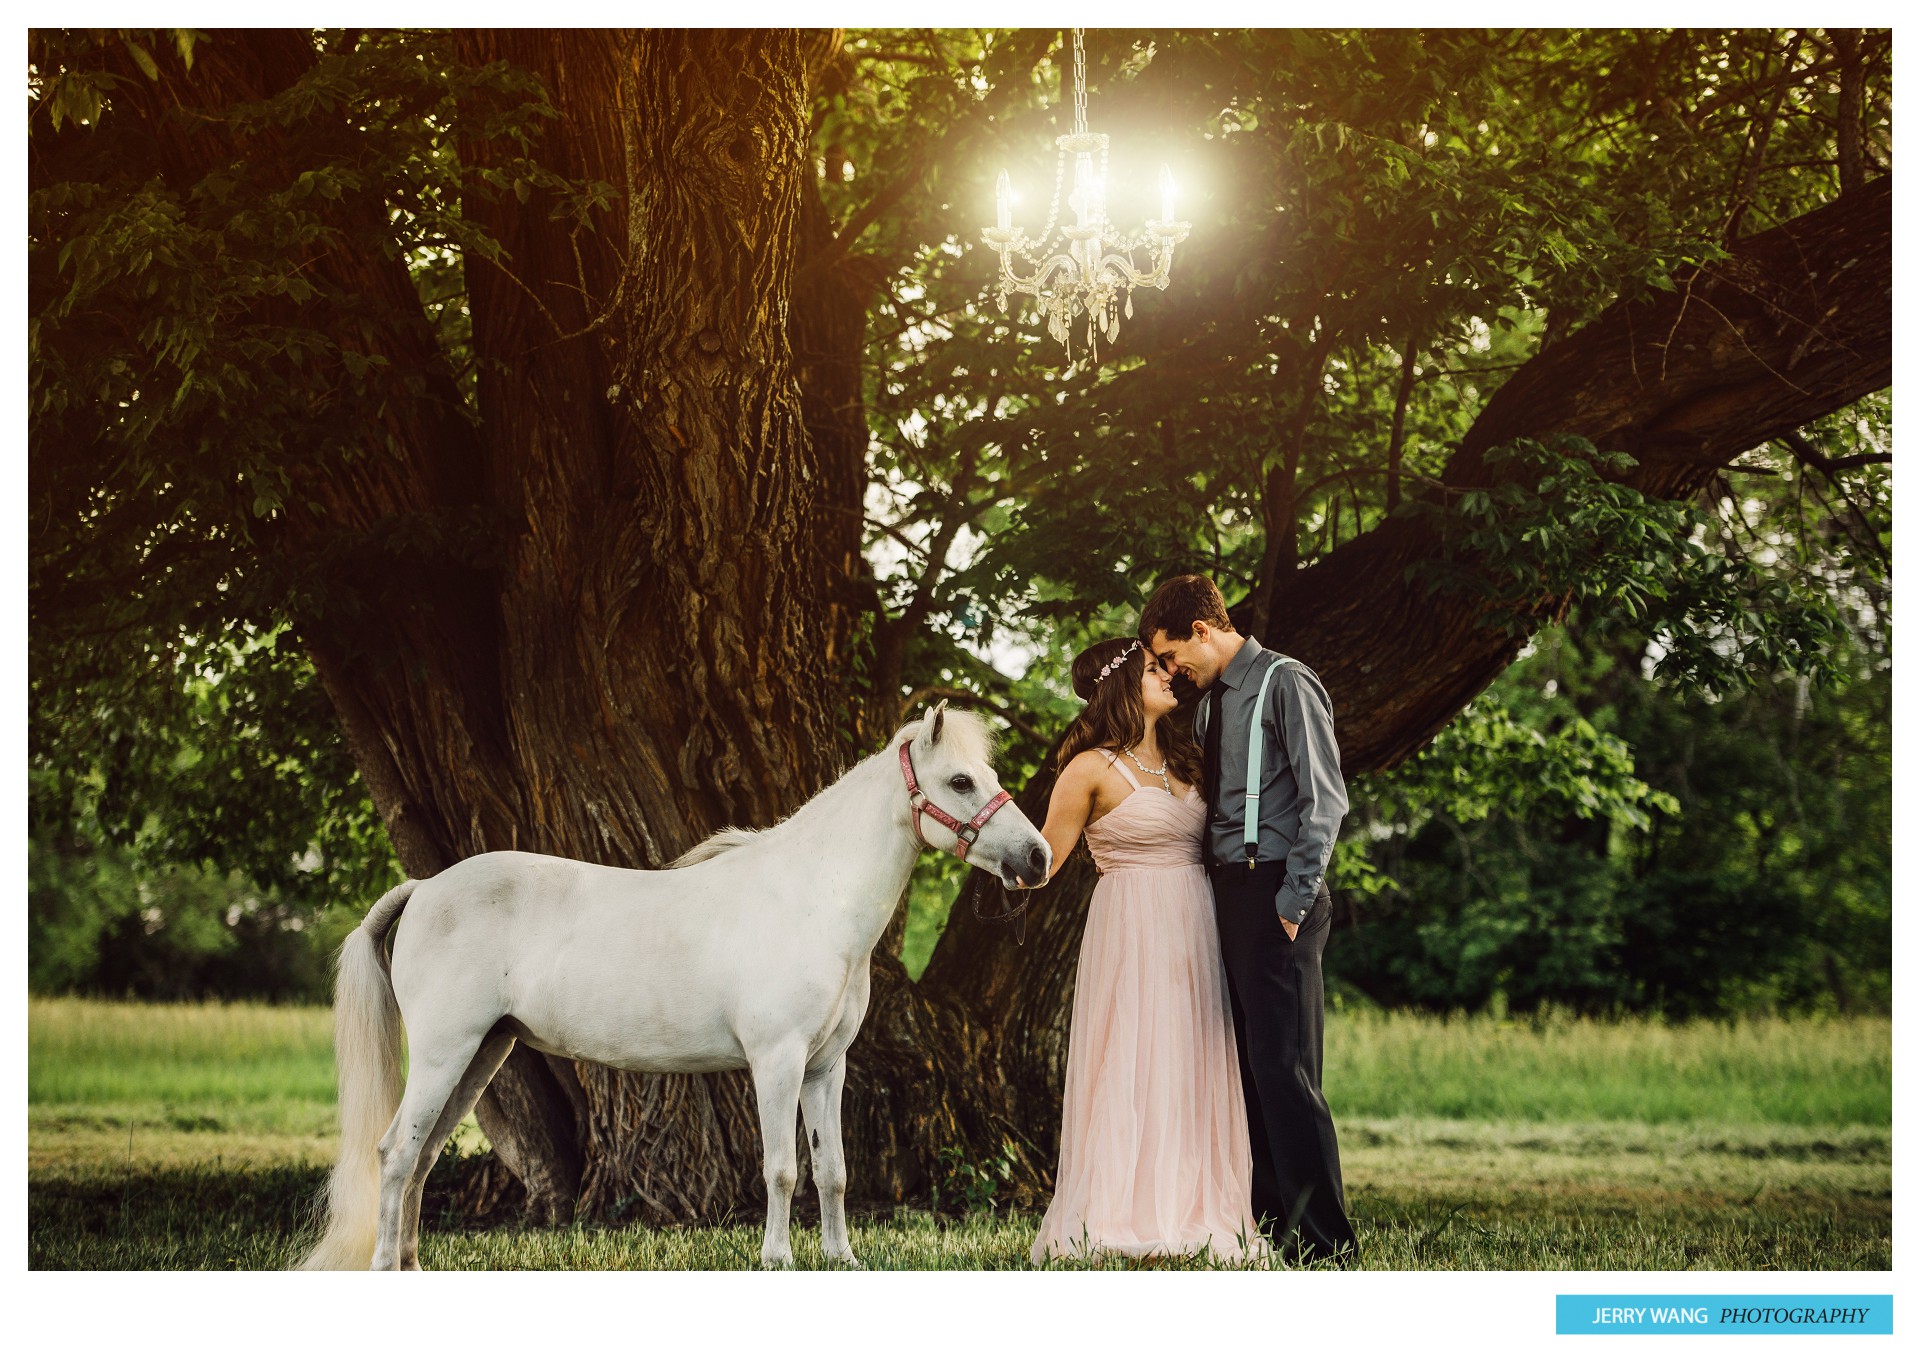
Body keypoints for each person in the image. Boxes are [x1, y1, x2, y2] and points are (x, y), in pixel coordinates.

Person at [1139, 574, 1361, 1266]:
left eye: (1172, 654)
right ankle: (1273, 1229)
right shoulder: (1211, 709)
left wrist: (1292, 902)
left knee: (1285, 1066)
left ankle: (1327, 1246)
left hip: (1276, 892)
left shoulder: (1287, 683)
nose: (1173, 670)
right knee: (1247, 1071)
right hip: (1226, 894)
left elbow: (1327, 801)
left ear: (1202, 630)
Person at [1021, 636, 1265, 1266]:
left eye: (1166, 666)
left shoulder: (1189, 760)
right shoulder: (1089, 768)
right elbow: (1040, 864)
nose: (1168, 676)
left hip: (1194, 922)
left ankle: (1192, 1205)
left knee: (1190, 1056)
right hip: (1129, 927)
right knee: (1132, 1056)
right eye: (1154, 669)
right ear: (1120, 685)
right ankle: (1119, 1210)